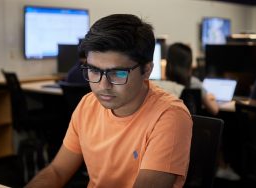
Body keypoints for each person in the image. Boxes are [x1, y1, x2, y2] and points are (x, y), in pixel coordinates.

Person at [26, 14, 192, 188]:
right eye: (93, 70)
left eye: (118, 73)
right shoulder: (87, 104)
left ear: (146, 71)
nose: (103, 85)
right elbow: (57, 171)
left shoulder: (170, 117)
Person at [164, 42, 219, 116]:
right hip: (191, 125)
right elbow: (214, 110)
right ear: (189, 65)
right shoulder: (194, 83)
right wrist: (211, 98)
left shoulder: (163, 86)